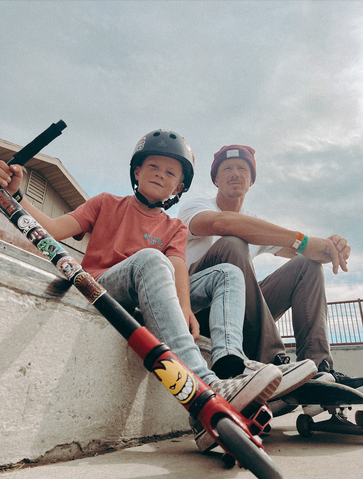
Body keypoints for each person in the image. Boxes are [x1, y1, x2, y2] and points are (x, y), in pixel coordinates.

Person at [0, 131, 316, 453]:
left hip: (154, 289)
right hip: (104, 285)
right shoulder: (106, 203)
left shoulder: (174, 227)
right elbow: (52, 230)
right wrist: (17, 196)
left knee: (227, 272)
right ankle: (205, 382)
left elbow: (178, 267)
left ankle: (231, 365)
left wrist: (185, 309)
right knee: (151, 259)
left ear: (178, 187)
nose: (159, 175)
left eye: (169, 173)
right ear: (137, 171)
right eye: (152, 166)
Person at [178, 143, 363, 389]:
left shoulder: (256, 223)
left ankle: (318, 371)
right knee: (233, 243)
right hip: (200, 307)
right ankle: (275, 359)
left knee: (306, 266)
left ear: (251, 180)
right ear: (216, 179)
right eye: (227, 168)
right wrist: (304, 241)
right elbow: (226, 224)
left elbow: (297, 249)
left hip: (240, 313)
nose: (235, 173)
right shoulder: (196, 207)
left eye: (242, 168)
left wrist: (329, 249)